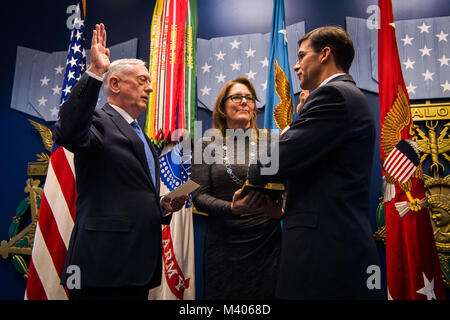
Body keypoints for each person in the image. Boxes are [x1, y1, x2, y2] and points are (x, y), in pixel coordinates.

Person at [54, 23, 189, 300]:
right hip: (101, 265)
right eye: (142, 81)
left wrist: (162, 206)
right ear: (114, 84)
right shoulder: (98, 121)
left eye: (150, 82)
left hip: (136, 266)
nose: (150, 89)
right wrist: (95, 72)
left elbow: (132, 193)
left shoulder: (143, 137)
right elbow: (66, 131)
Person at [249, 26, 383, 299]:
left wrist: (288, 134)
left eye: (301, 56)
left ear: (325, 54)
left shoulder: (332, 96)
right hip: (333, 247)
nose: (296, 65)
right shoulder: (345, 96)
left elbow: (268, 164)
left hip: (324, 254)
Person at [191, 77, 283, 300]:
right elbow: (198, 195)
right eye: (237, 97)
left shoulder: (272, 142)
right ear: (223, 106)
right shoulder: (205, 145)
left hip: (266, 245)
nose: (244, 102)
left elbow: (289, 187)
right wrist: (231, 208)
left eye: (249, 98)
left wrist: (280, 211)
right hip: (223, 247)